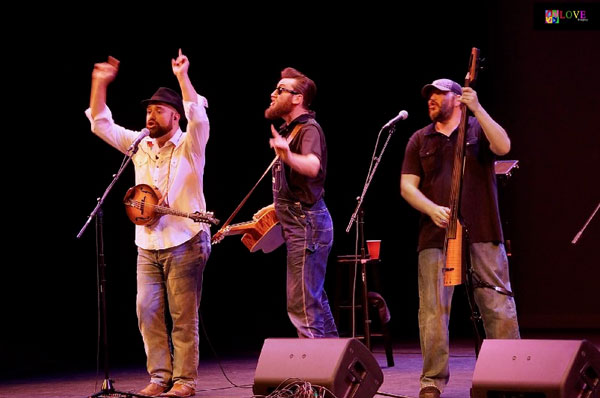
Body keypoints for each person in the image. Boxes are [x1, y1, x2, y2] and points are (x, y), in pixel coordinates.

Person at [86, 49, 211, 398]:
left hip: (186, 241)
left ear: (175, 116)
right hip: (148, 244)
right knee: (147, 311)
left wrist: (183, 77)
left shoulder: (190, 144)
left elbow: (198, 116)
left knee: (183, 316)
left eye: (159, 110)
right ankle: (159, 377)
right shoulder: (140, 144)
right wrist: (99, 83)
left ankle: (185, 381)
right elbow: (100, 123)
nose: (150, 115)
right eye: (148, 110)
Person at [400, 79, 520, 398]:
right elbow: (407, 186)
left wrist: (478, 108)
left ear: (458, 98)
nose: (432, 100)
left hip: (482, 229)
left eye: (439, 94)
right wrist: (431, 208)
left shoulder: (477, 130)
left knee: (497, 303)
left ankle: (510, 376)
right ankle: (432, 381)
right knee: (433, 309)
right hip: (435, 235)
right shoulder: (419, 138)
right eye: (429, 95)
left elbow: (504, 147)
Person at [263, 67, 338, 338]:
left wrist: (288, 156)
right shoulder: (292, 130)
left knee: (302, 304)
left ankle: (315, 376)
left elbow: (312, 166)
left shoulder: (309, 130)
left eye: (280, 90)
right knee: (313, 299)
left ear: (298, 98)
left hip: (308, 226)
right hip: (303, 224)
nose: (273, 94)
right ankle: (335, 366)